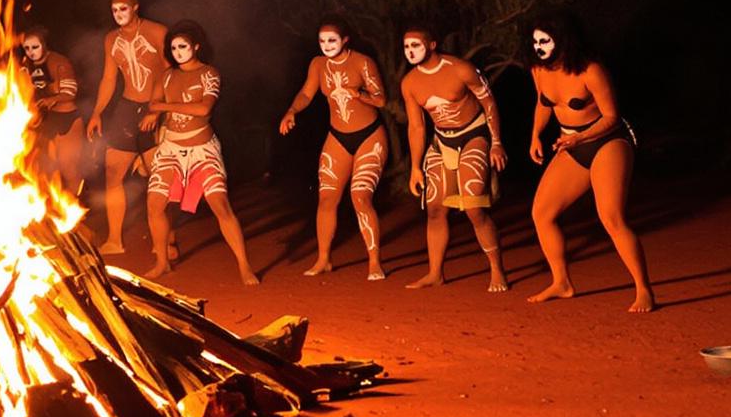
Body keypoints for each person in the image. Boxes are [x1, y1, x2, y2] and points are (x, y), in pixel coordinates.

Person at [524, 11, 656, 313]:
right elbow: (543, 103)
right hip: (571, 143)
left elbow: (611, 117)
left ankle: (643, 289)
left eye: (545, 40)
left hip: (607, 141)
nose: (539, 47)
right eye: (535, 41)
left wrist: (579, 139)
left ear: (563, 39)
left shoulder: (590, 70)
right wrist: (534, 135)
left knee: (611, 217)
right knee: (542, 213)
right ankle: (562, 282)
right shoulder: (539, 70)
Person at [138, 22, 257, 284]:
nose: (178, 51)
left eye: (183, 46)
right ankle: (162, 262)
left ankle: (244, 266)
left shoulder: (209, 73)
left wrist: (163, 106)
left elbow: (204, 110)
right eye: (173, 48)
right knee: (154, 204)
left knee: (220, 205)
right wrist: (157, 110)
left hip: (202, 150)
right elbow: (153, 104)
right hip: (171, 148)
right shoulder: (166, 76)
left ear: (196, 47)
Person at [276, 19, 392, 279]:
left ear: (345, 40)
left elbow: (381, 99)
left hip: (369, 137)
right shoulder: (318, 64)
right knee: (327, 199)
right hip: (338, 137)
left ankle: (374, 262)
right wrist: (292, 111)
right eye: (322, 41)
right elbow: (306, 93)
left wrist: (358, 94)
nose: (326, 45)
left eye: (332, 40)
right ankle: (324, 259)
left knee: (360, 197)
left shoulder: (363, 62)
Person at [398, 26, 509, 292]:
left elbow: (489, 103)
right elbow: (416, 127)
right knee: (436, 209)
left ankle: (497, 270)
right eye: (406, 47)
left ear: (432, 44)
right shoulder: (410, 83)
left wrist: (496, 143)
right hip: (441, 140)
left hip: (474, 134)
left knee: (473, 208)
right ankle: (435, 273)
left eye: (416, 45)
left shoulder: (460, 69)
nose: (410, 51)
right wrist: (415, 167)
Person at [86, 0, 170, 256]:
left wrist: (157, 110)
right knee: (113, 173)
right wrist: (97, 112)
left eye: (123, 8)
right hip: (126, 108)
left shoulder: (157, 31)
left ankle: (168, 241)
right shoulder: (111, 39)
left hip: (154, 106)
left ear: (135, 8)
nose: (118, 13)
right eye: (114, 9)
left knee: (157, 175)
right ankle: (114, 240)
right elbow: (109, 79)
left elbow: (170, 72)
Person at [20, 26, 86, 191]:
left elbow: (71, 92)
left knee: (68, 166)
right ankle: (49, 206)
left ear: (44, 45)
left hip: (67, 118)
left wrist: (53, 99)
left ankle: (76, 204)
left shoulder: (58, 62)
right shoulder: (26, 65)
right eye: (27, 48)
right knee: (42, 164)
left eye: (35, 47)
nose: (31, 52)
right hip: (45, 120)